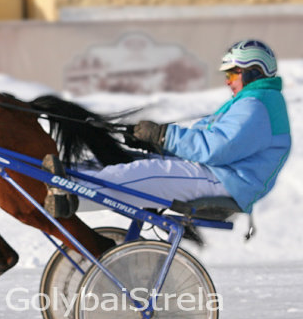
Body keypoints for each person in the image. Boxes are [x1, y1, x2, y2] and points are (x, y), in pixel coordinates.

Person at [45, 39, 291, 218]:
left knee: (145, 173)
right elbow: (206, 139)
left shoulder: (256, 106)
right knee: (128, 164)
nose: (227, 81)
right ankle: (64, 178)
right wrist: (154, 142)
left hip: (226, 179)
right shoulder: (251, 103)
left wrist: (163, 135)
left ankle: (70, 193)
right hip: (218, 173)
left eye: (232, 74)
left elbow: (217, 148)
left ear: (253, 72)